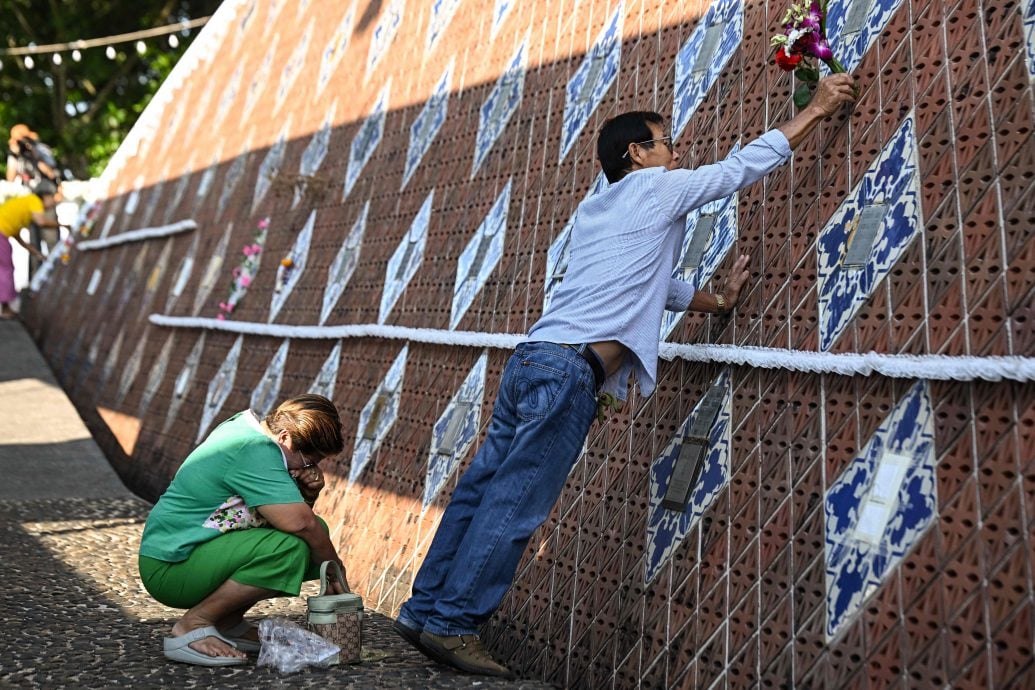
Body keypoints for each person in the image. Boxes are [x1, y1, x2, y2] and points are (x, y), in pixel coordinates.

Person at [393, 73, 858, 678]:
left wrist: (717, 303)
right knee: (515, 507)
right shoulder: (654, 189)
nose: (676, 151)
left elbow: (652, 284)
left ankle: (421, 611)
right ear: (637, 154)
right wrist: (816, 111)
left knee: (480, 492)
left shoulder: (598, 210)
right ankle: (453, 625)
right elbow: (737, 170)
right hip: (567, 372)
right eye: (666, 142)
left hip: (532, 360)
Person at [137, 394, 350, 666]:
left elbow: (290, 519)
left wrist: (307, 495)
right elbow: (300, 524)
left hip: (188, 554)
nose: (308, 469)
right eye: (309, 461)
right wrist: (336, 572)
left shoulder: (247, 431)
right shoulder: (254, 449)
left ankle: (226, 622)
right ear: (285, 438)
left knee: (310, 537)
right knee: (290, 548)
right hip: (170, 566)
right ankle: (193, 624)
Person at [0, 181, 58, 318]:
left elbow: (19, 239)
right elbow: (41, 222)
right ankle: (7, 309)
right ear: (45, 196)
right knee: (6, 269)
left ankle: (5, 307)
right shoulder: (34, 201)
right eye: (52, 197)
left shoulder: (24, 205)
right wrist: (63, 226)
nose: (54, 202)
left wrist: (37, 254)